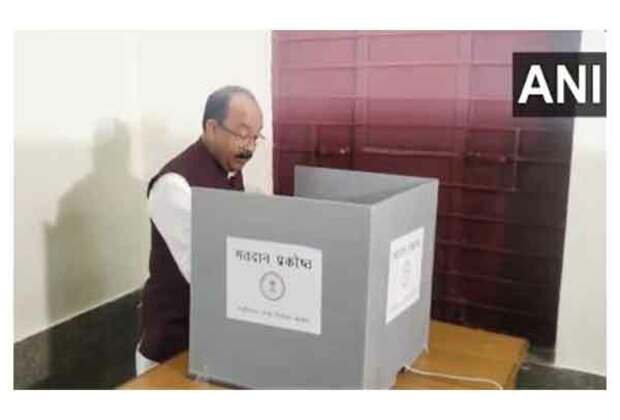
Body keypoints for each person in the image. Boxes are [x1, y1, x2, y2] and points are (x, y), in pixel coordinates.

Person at [136, 86, 264, 375]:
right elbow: (206, 271)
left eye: (256, 137)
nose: (250, 147)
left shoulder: (231, 169)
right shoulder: (174, 186)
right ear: (211, 127)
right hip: (173, 347)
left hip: (214, 343)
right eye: (243, 134)